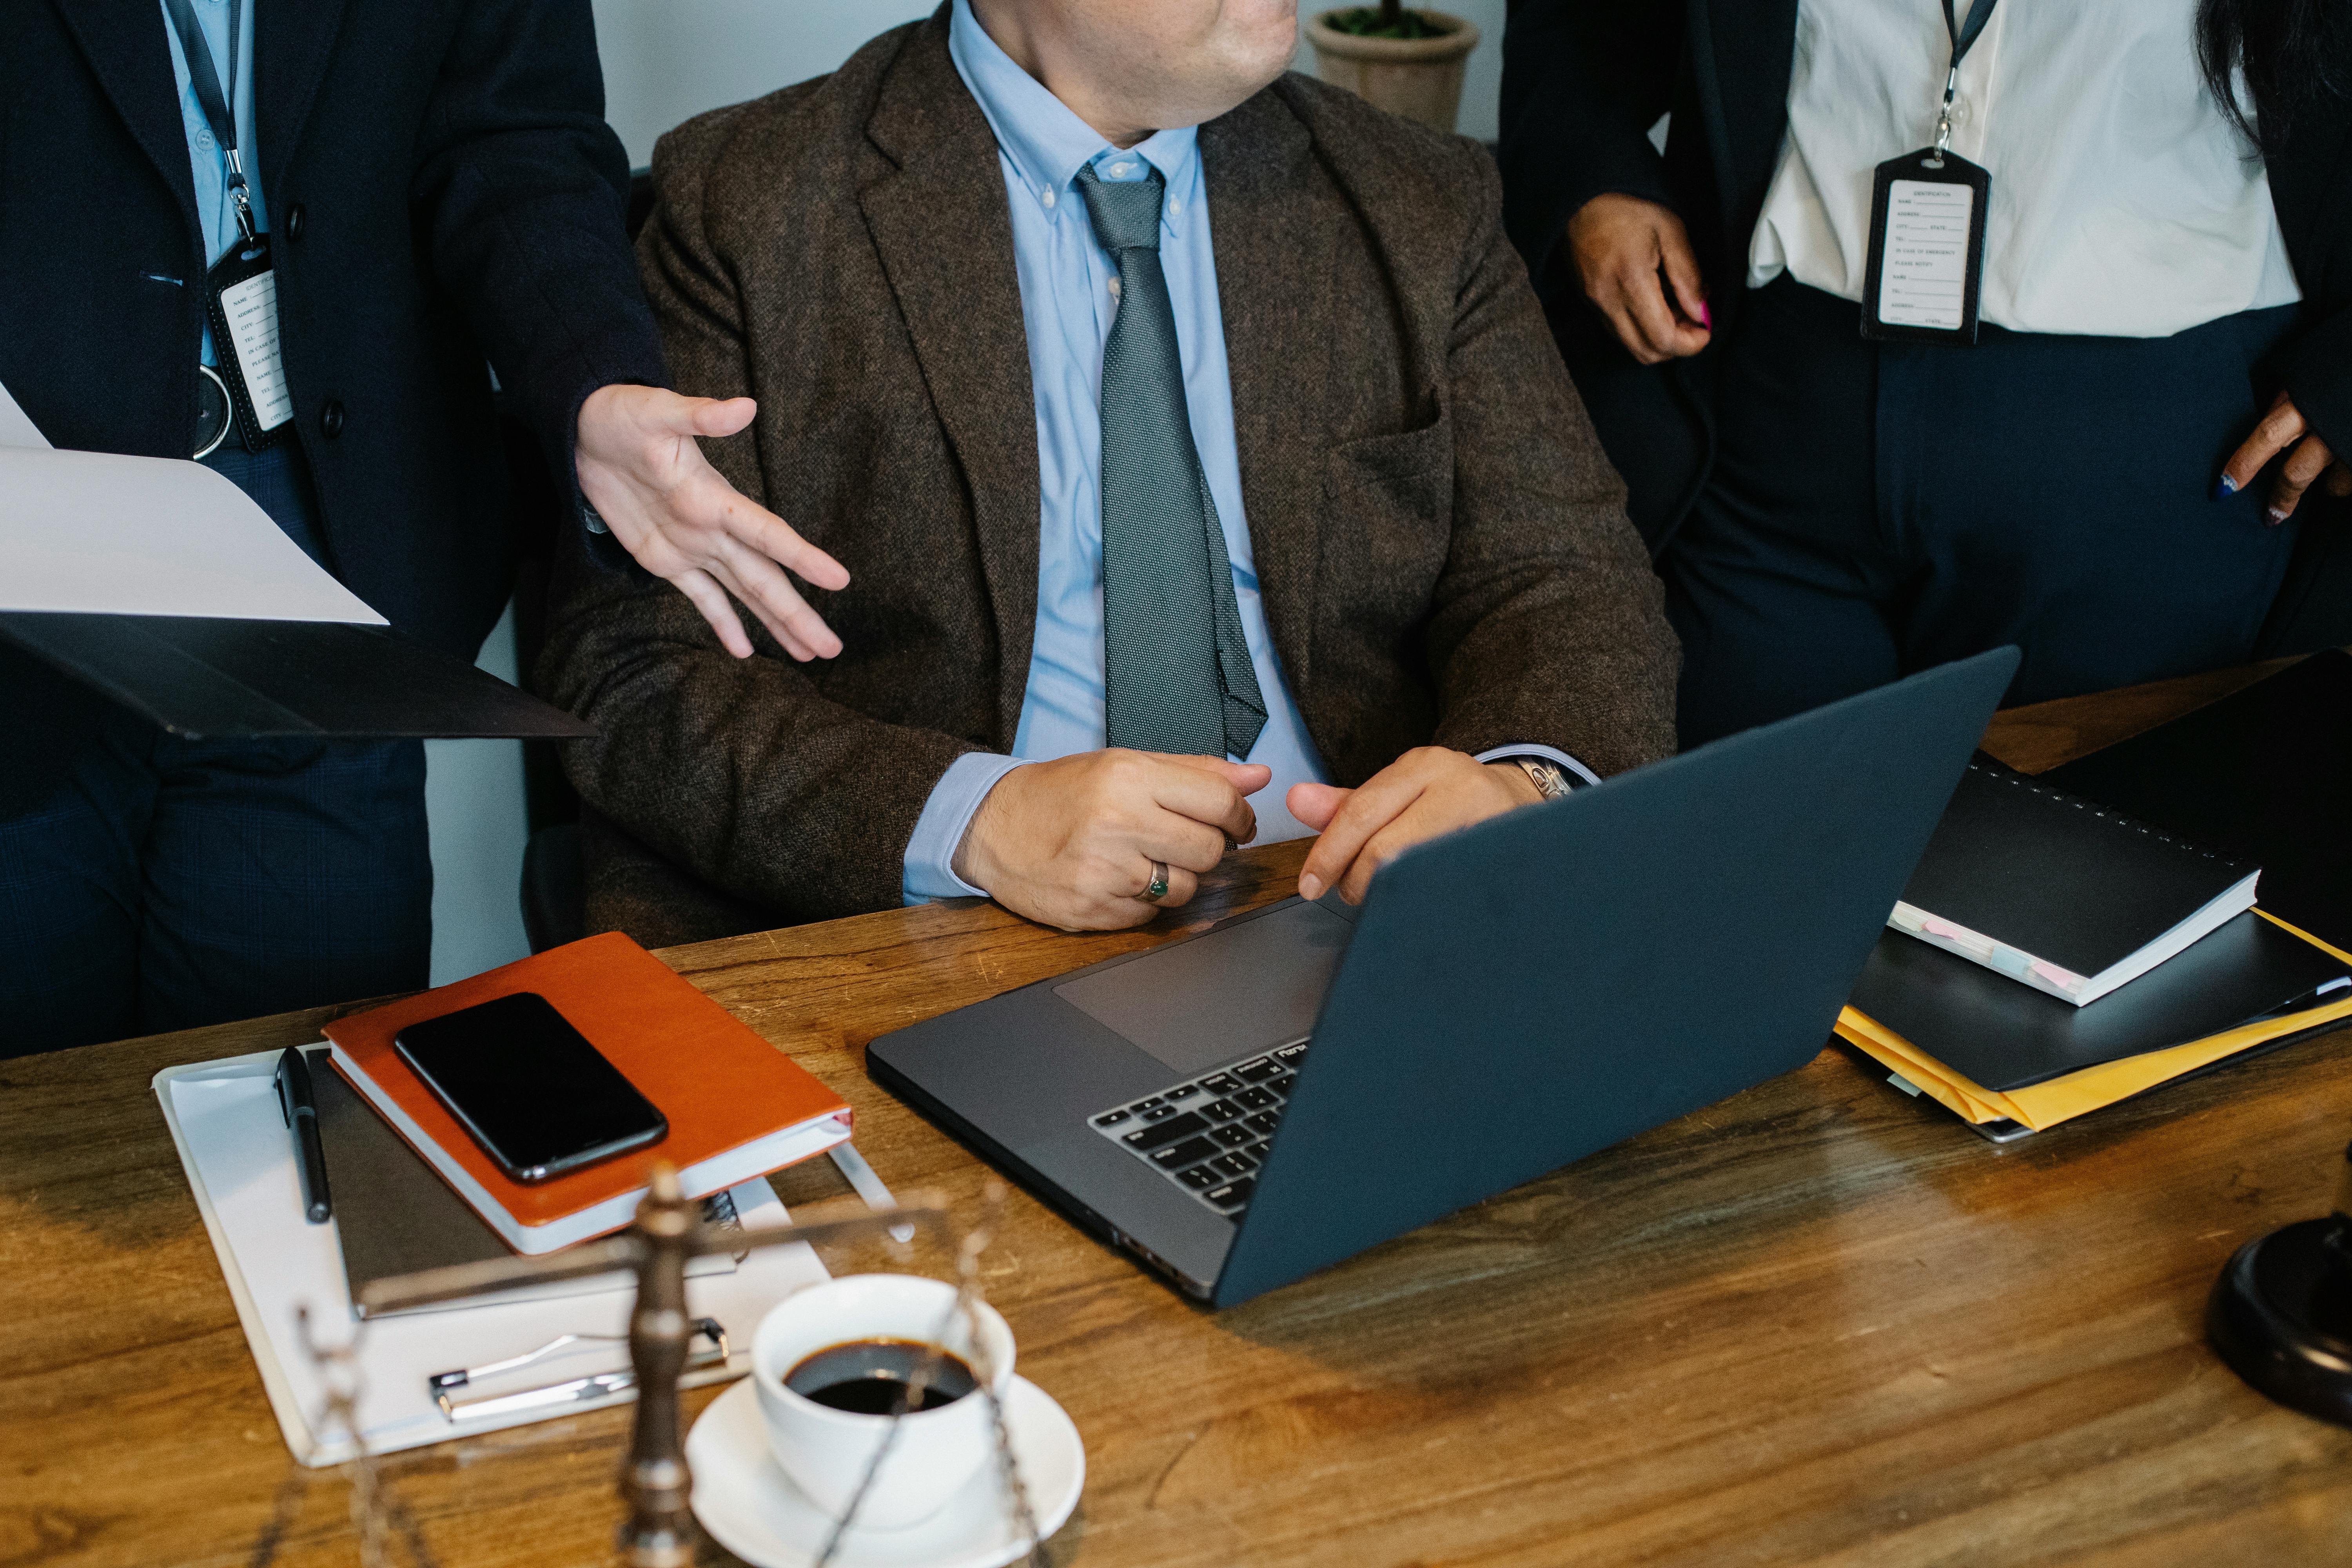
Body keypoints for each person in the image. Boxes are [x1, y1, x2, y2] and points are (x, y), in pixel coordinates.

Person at [537, 0, 1678, 943]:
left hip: (1352, 919)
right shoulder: (746, 202)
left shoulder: (1419, 196)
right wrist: (970, 820)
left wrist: (1521, 781)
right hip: (938, 935)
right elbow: (633, 665)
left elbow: (1566, 579)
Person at [0, 0, 849, 1052]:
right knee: (33, 1128)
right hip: (26, 550)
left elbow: (513, 132)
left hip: (328, 543)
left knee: (302, 1103)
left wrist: (589, 380)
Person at [1499, 0, 2352, 748]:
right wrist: (1591, 168)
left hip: (2152, 463)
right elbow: (1579, 24)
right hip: (1776, 422)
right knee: (1730, 869)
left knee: (2075, 895)